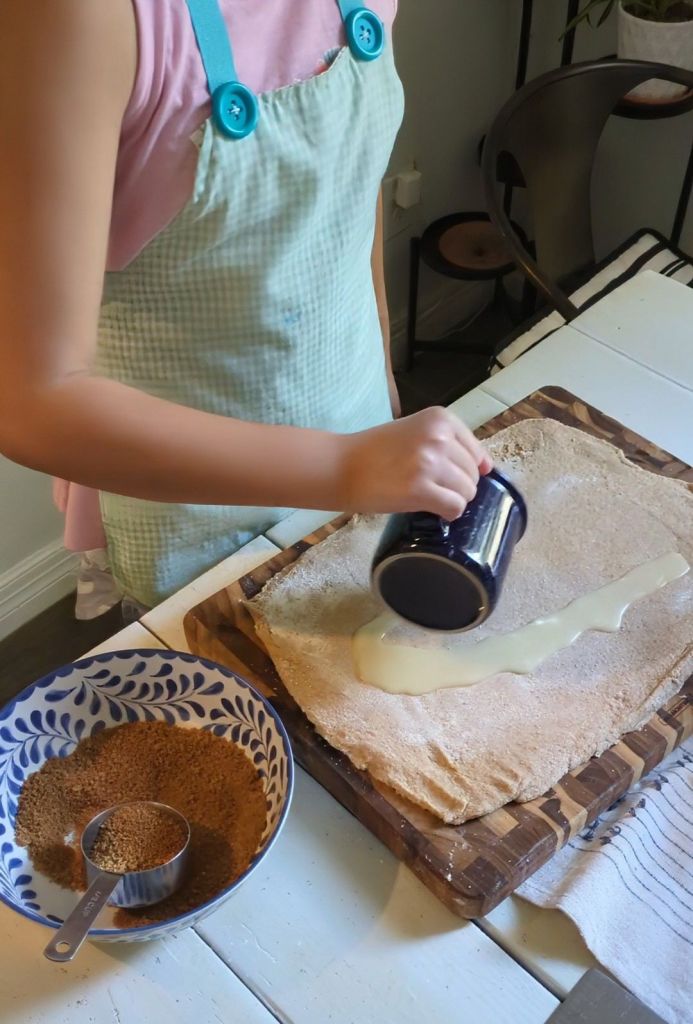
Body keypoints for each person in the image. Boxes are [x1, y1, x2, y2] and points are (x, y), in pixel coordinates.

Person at [0, 0, 491, 619]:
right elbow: (32, 404)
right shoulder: (76, 16)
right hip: (202, 531)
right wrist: (345, 465)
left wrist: (381, 373)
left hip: (366, 448)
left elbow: (348, 178)